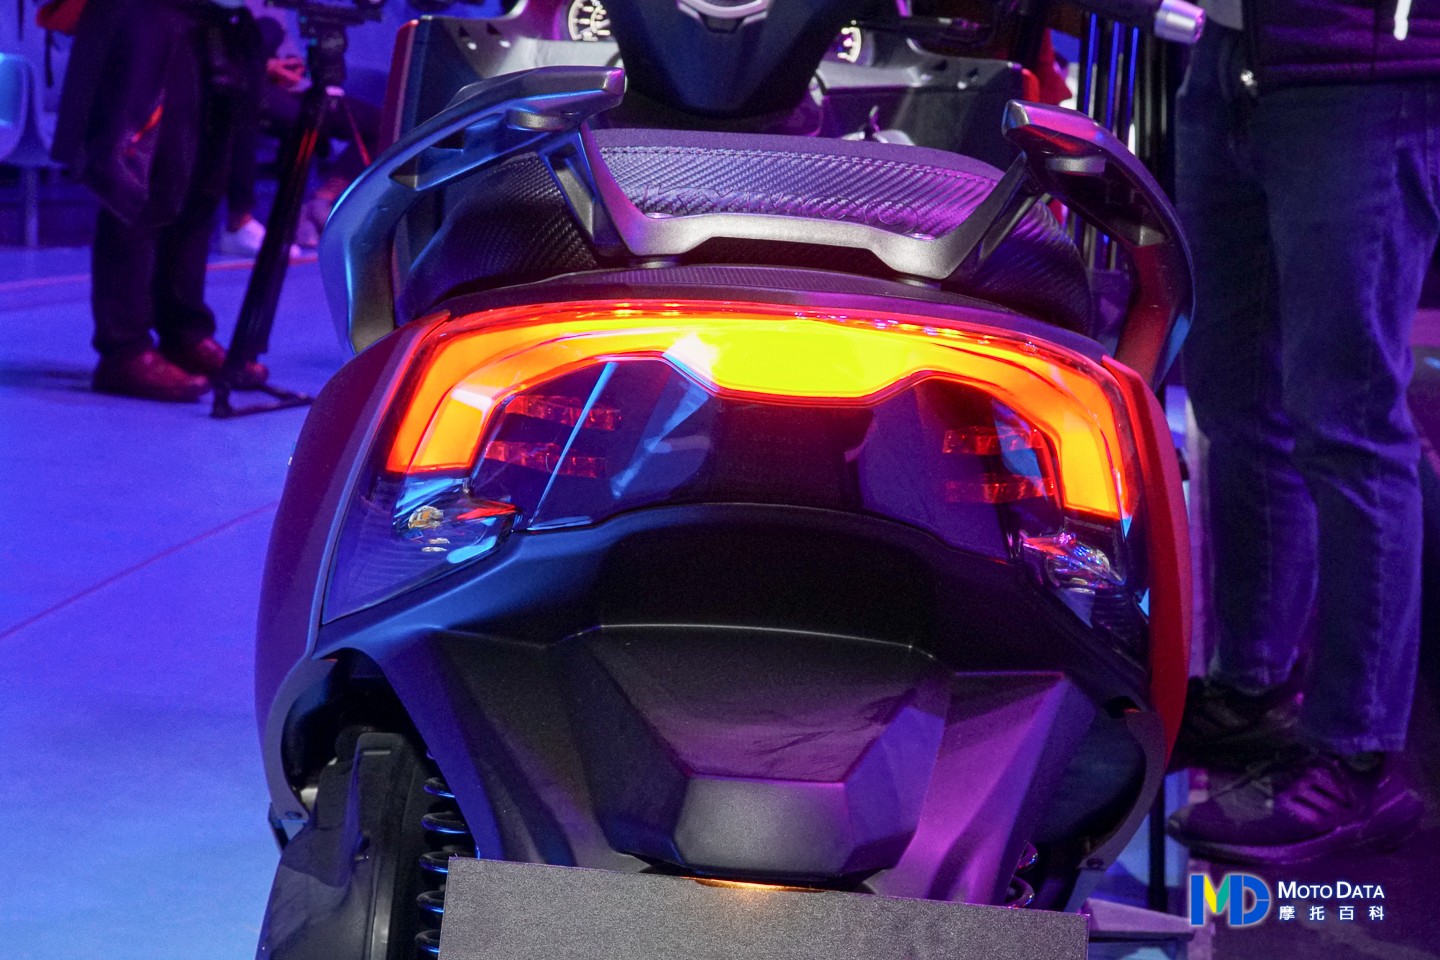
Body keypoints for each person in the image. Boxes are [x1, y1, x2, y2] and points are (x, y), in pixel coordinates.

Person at [1165, 0, 1433, 864]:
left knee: (1348, 422)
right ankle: (1253, 691)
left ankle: (1357, 758)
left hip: (1362, 73)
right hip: (1226, 54)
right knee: (1234, 395)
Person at [53, 0, 267, 401]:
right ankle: (125, 349)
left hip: (208, 22)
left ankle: (184, 333)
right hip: (144, 15)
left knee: (200, 184)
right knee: (140, 182)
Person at [218, 6, 381, 255]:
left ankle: (320, 202)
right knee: (297, 119)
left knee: (378, 122)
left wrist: (295, 67)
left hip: (295, 88)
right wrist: (265, 68)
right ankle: (242, 223)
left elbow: (289, 49)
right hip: (248, 83)